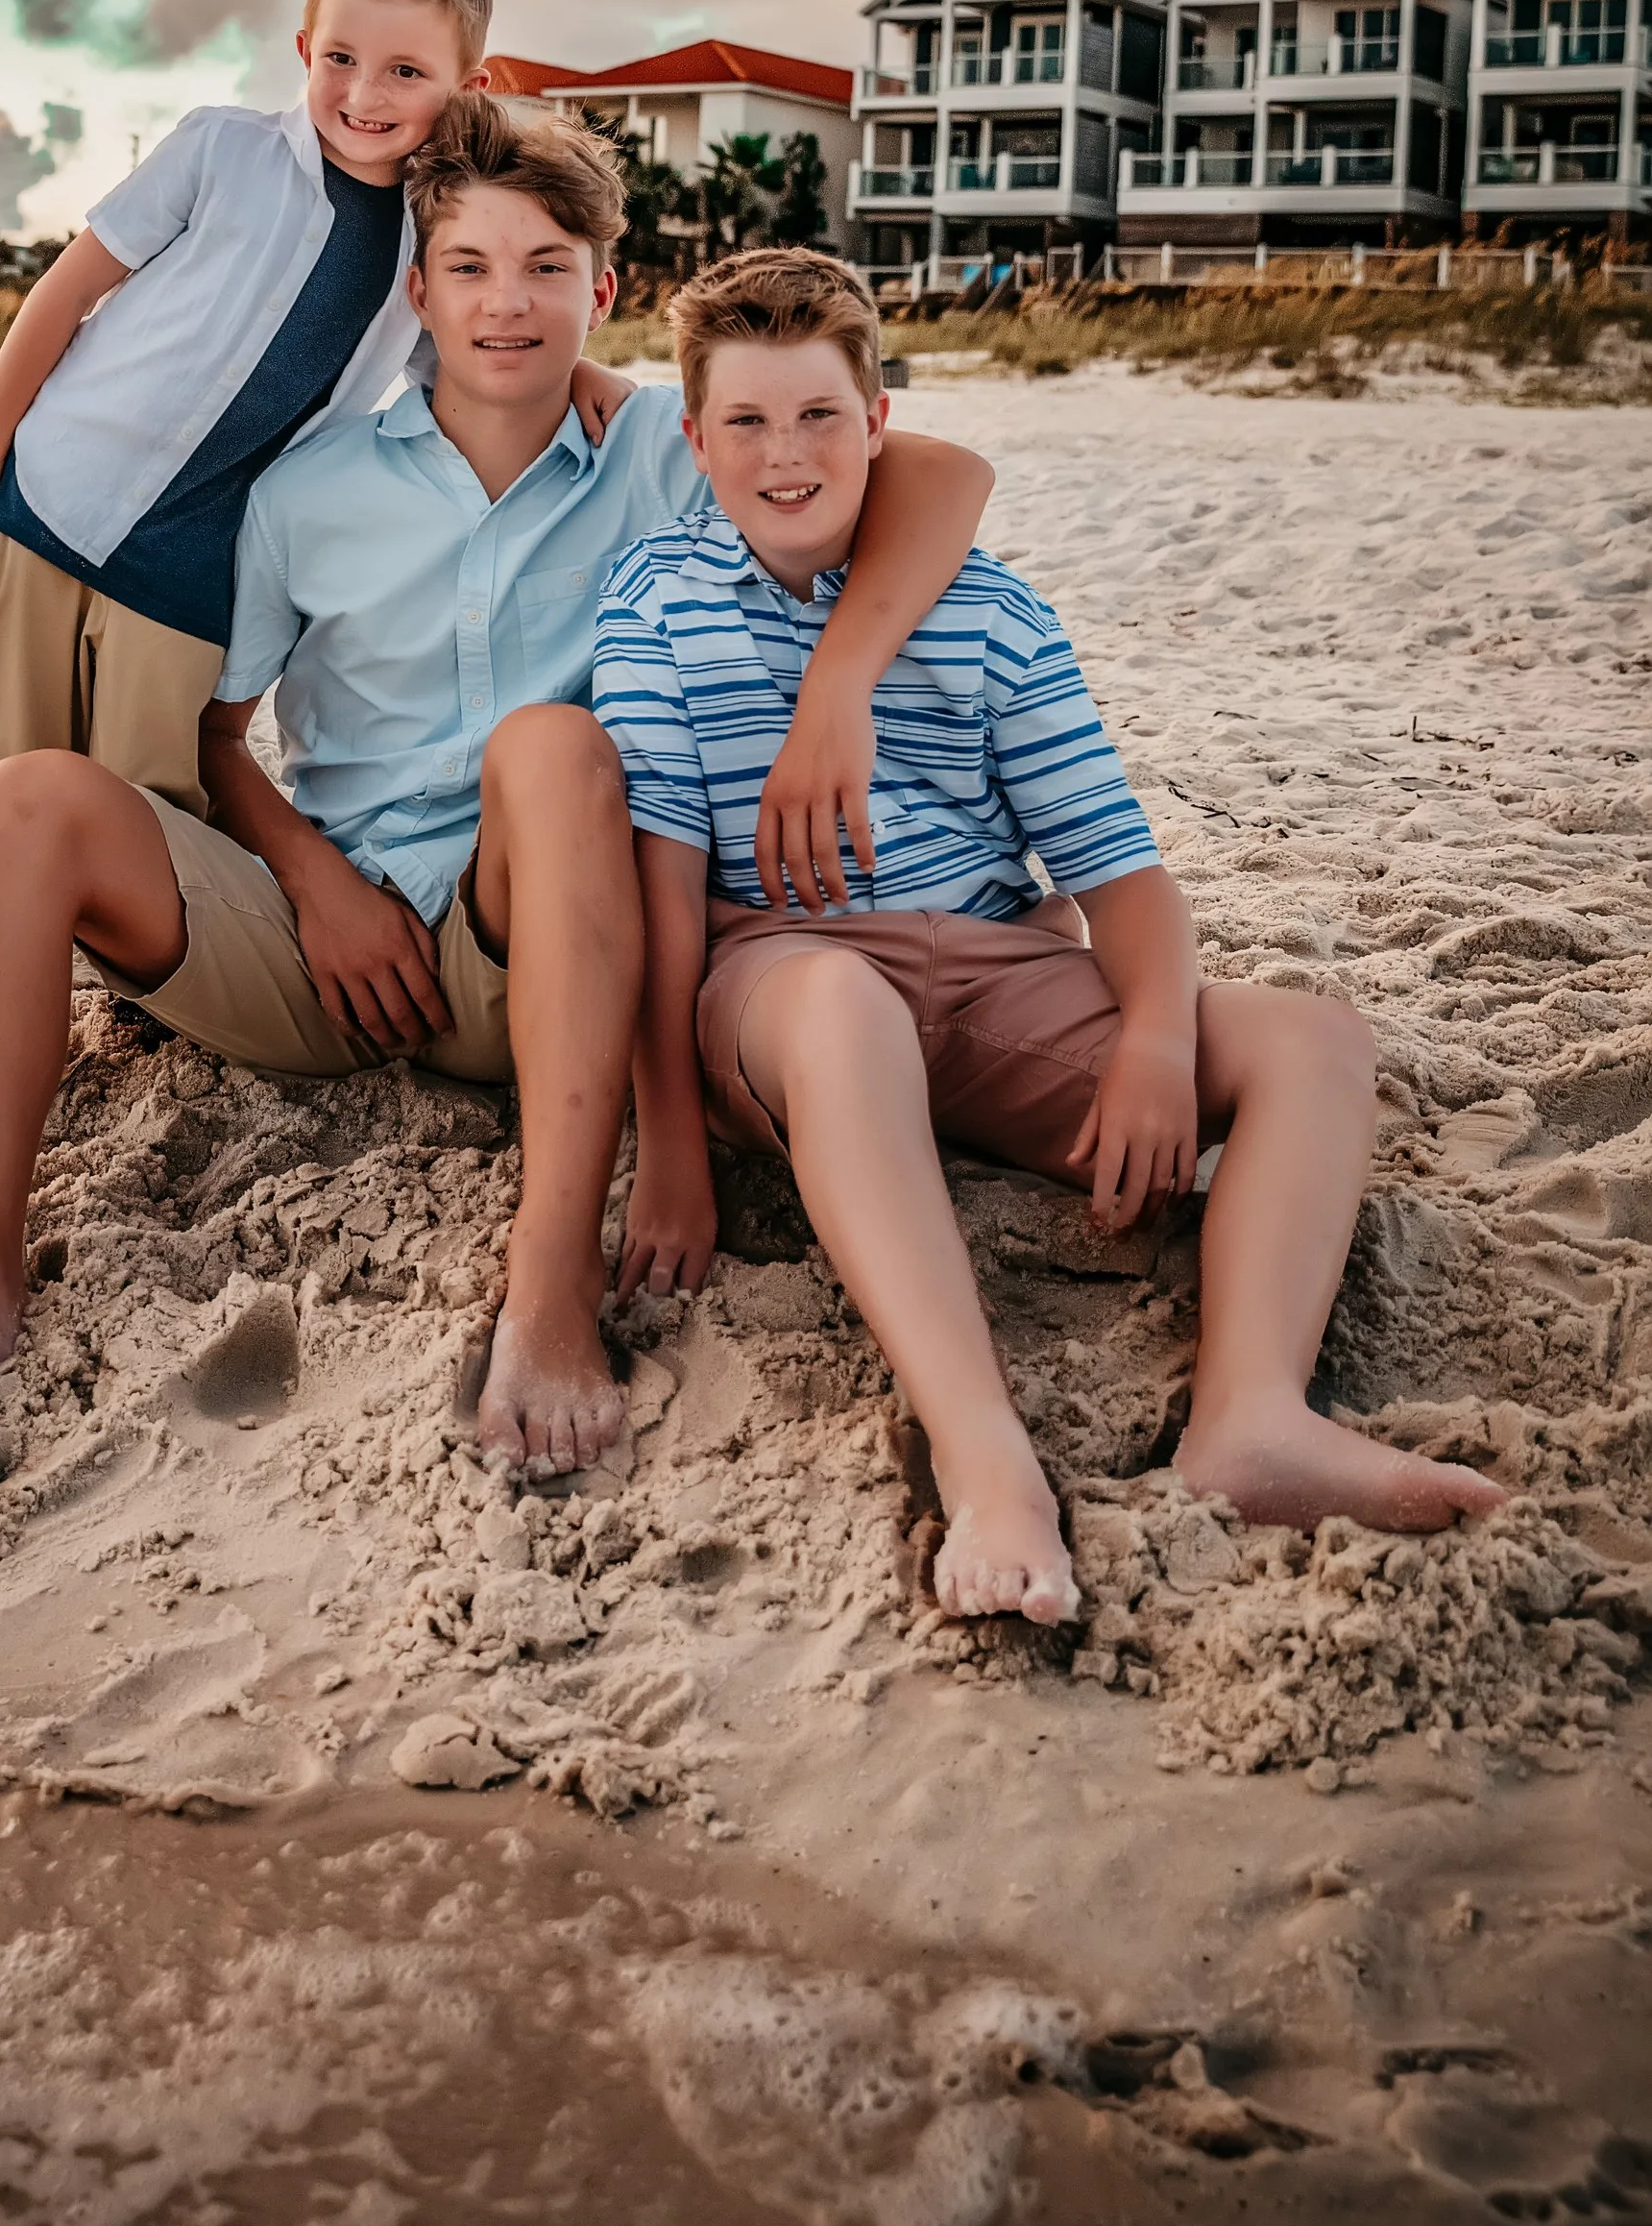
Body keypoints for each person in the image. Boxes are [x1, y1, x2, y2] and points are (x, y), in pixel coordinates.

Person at [0, 105, 994, 1498]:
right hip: (328, 960)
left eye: (549, 266)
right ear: (416, 289)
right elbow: (222, 733)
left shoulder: (668, 445)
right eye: (471, 265)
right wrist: (313, 881)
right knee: (25, 801)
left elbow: (941, 471)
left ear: (601, 291)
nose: (509, 301)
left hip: (542, 952)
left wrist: (843, 684)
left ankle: (545, 1288)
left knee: (555, 746)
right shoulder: (311, 485)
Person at [594, 246, 1505, 1631]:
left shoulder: (991, 614)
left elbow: (1118, 875)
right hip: (778, 977)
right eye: (748, 422)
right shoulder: (653, 603)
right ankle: (985, 1456)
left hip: (994, 964)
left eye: (821, 415)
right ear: (693, 439)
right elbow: (662, 892)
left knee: (1314, 1040)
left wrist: (1150, 1035)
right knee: (841, 1006)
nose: (787, 455)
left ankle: (1252, 1420)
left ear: (881, 419)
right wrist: (668, 1143)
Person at [0, 0, 633, 814]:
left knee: (143, 814)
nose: (364, 94)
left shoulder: (430, 242)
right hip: (47, 499)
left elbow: (469, 358)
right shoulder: (220, 149)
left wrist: (581, 372)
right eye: (340, 59)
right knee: (0, 790)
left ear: (467, 84)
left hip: (193, 581)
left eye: (405, 72)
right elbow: (62, 297)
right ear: (305, 47)